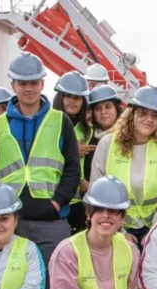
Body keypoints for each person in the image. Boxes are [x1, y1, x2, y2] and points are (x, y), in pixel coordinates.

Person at [0, 52, 80, 289]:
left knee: (55, 281)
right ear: (13, 85)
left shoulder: (61, 121)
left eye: (33, 82)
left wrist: (58, 203)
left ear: (42, 84)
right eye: (22, 83)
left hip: (52, 219)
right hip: (13, 219)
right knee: (16, 281)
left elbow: (72, 168)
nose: (28, 88)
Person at [91, 86, 157, 248]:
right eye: (143, 113)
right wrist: (119, 231)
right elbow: (98, 190)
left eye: (155, 115)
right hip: (115, 229)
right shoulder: (107, 144)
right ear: (132, 114)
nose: (149, 119)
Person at [52, 71, 96, 233]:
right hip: (56, 196)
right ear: (60, 98)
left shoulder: (88, 131)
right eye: (68, 96)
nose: (72, 101)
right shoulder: (50, 125)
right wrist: (71, 151)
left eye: (77, 98)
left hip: (79, 201)